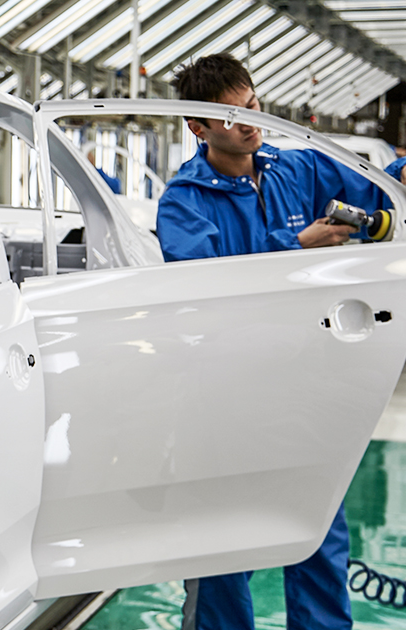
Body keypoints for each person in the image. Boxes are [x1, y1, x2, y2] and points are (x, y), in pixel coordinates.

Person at [157, 53, 391, 630]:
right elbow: (210, 290)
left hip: (308, 388)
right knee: (222, 551)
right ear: (199, 127)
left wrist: (401, 173)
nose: (249, 122)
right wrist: (298, 246)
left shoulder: (298, 170)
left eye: (253, 106)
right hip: (225, 398)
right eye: (231, 114)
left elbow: (380, 186)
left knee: (317, 538)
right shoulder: (184, 202)